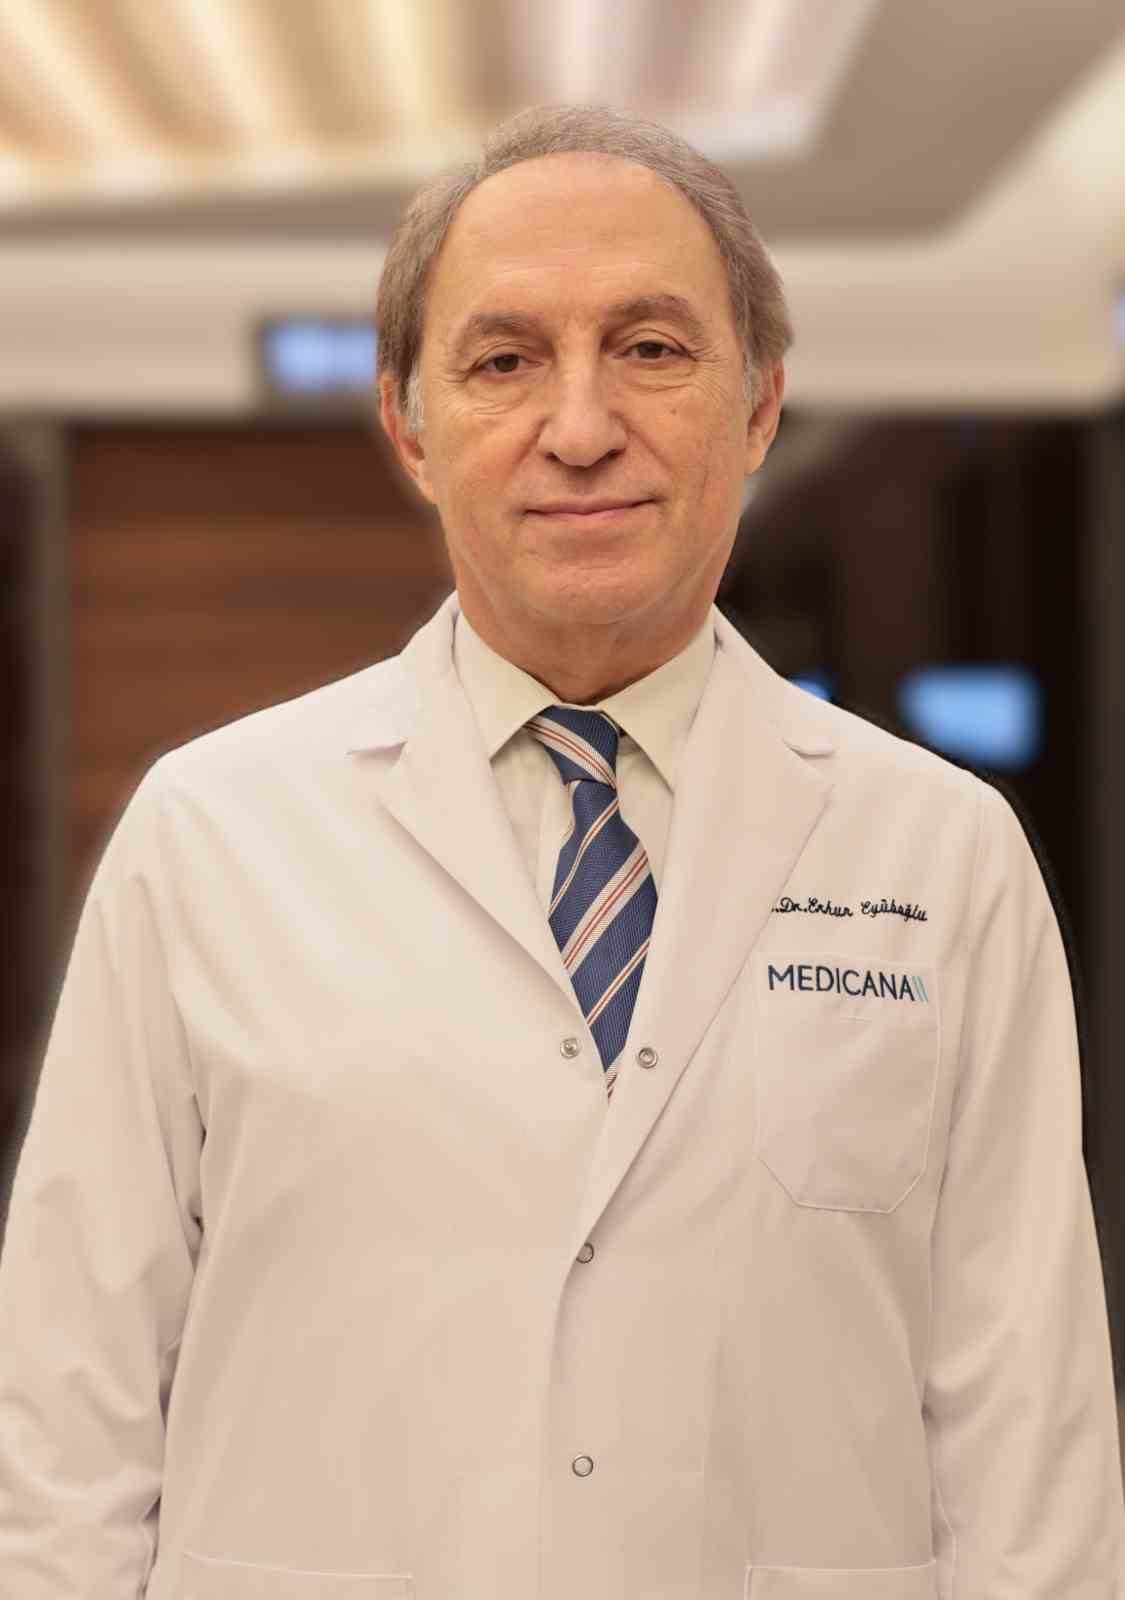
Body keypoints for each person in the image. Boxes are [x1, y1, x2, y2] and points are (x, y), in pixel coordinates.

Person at [0, 103, 1121, 1600]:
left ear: (760, 406)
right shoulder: (207, 837)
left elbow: (1027, 1432)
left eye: (650, 348)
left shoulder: (942, 854)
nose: (581, 429)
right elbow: (68, 1415)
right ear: (410, 427)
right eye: (504, 360)